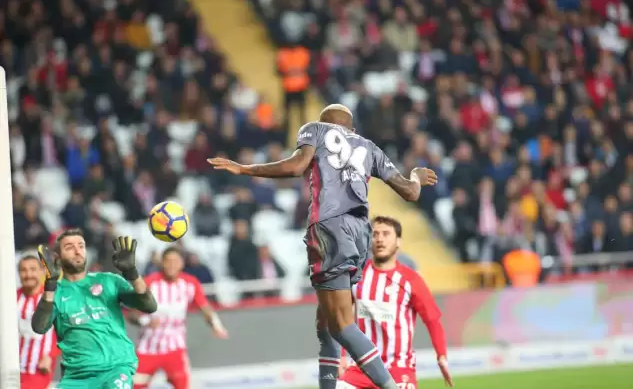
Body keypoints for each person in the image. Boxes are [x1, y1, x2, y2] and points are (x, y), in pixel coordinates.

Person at [208, 104, 438, 389]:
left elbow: (295, 166)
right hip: (359, 233)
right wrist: (415, 174)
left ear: (324, 123)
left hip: (329, 228)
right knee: (327, 323)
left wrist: (244, 169)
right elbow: (411, 192)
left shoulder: (314, 130)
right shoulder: (369, 147)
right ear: (351, 130)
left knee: (341, 324)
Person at [31, 229, 158, 389]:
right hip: (76, 376)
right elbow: (39, 327)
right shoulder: (56, 293)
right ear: (58, 257)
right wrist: (50, 286)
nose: (77, 251)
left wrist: (132, 273)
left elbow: (149, 305)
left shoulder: (109, 280)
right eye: (69, 247)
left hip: (115, 368)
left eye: (81, 246)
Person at [337, 216, 453, 388]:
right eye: (375, 234)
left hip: (398, 369)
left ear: (398, 241)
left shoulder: (411, 280)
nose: (380, 239)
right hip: (360, 369)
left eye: (386, 234)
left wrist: (441, 356)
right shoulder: (356, 277)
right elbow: (342, 316)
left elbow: (432, 320)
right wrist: (340, 355)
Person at [128, 247, 229, 389]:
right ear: (162, 263)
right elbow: (132, 314)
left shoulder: (190, 283)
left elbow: (205, 308)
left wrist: (216, 325)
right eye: (168, 261)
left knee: (183, 384)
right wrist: (145, 321)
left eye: (175, 261)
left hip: (175, 349)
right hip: (148, 349)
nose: (171, 265)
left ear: (182, 263)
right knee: (134, 385)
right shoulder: (151, 283)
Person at [17, 254, 60, 389]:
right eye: (24, 270)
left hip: (38, 371)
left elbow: (65, 332)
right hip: (11, 370)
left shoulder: (52, 299)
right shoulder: (12, 297)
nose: (28, 274)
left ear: (41, 272)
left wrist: (51, 356)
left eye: (33, 269)